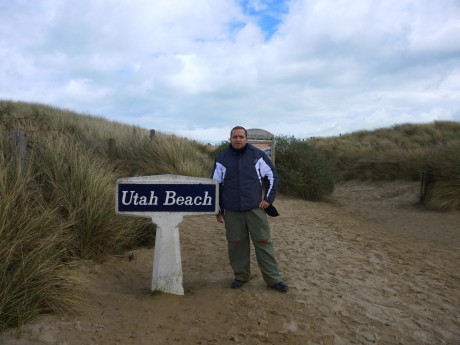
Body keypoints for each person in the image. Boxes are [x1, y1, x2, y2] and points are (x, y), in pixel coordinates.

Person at [211, 126, 288, 293]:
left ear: (246, 139)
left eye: (241, 136)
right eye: (234, 137)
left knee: (263, 243)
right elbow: (215, 186)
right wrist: (218, 210)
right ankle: (241, 276)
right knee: (236, 245)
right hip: (232, 211)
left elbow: (272, 176)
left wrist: (268, 199)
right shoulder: (222, 159)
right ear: (229, 139)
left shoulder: (257, 156)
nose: (238, 139)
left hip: (255, 209)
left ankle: (273, 279)